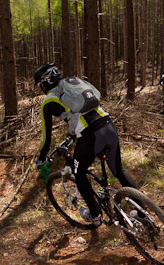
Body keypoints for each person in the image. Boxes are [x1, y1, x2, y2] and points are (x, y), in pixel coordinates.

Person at [34, 63, 138, 226]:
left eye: (40, 85)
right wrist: (72, 135)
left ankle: (95, 216)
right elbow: (79, 114)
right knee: (119, 170)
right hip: (108, 125)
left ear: (44, 83)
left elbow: (46, 138)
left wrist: (41, 158)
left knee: (78, 173)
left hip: (91, 135)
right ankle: (142, 213)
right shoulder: (73, 84)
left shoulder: (48, 101)